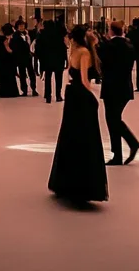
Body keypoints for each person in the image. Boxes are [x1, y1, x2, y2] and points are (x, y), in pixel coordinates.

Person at [48, 26, 108, 204]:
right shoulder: (84, 53)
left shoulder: (73, 52)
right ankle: (83, 184)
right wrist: (93, 94)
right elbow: (84, 80)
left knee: (69, 135)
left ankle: (65, 181)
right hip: (81, 97)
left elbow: (72, 76)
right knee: (86, 137)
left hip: (71, 95)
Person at [99, 21, 139, 166]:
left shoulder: (109, 46)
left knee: (112, 119)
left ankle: (123, 150)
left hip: (112, 87)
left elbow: (101, 62)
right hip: (125, 87)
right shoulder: (129, 45)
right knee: (114, 119)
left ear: (111, 31)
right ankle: (125, 148)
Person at [35, 19, 67, 103]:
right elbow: (63, 47)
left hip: (47, 60)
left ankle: (48, 95)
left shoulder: (42, 34)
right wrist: (65, 59)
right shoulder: (59, 34)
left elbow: (38, 47)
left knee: (48, 78)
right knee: (58, 78)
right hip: (58, 60)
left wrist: (39, 57)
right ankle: (58, 95)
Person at [0, 24, 19, 98]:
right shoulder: (4, 39)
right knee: (7, 75)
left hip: (0, 59)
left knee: (1, 75)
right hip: (5, 59)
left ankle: (2, 93)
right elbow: (9, 50)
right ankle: (10, 92)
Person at [11, 20, 38, 96]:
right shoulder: (15, 36)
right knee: (22, 74)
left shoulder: (28, 34)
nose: (21, 27)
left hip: (28, 57)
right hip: (21, 57)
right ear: (17, 27)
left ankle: (33, 88)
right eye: (20, 26)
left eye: (23, 25)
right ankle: (24, 90)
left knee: (31, 73)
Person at [127, 18, 139, 92]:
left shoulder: (132, 33)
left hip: (132, 51)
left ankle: (129, 86)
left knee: (129, 69)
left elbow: (128, 40)